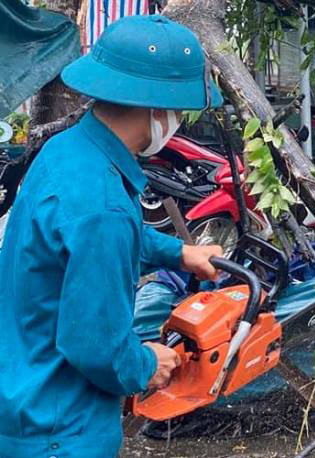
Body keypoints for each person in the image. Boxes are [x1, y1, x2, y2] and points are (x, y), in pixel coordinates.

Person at [0, 15, 225, 457]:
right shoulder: (104, 205)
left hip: (22, 390)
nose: (179, 120)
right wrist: (146, 364)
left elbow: (86, 243)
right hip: (62, 430)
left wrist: (180, 253)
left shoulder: (67, 152)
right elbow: (96, 345)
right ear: (156, 108)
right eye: (178, 109)